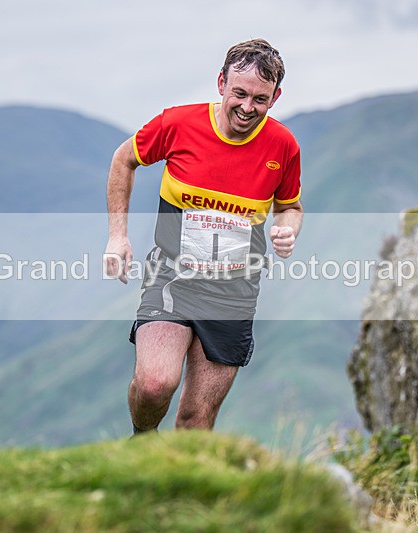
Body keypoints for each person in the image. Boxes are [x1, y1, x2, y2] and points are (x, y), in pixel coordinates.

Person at [103, 38, 303, 435]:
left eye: (260, 99)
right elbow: (124, 159)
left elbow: (290, 207)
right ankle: (143, 440)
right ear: (221, 84)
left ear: (275, 97)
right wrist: (117, 236)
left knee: (196, 420)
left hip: (233, 290)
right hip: (172, 277)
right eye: (239, 93)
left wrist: (287, 230)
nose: (247, 107)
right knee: (154, 384)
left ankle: (180, 492)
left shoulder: (283, 146)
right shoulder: (178, 124)